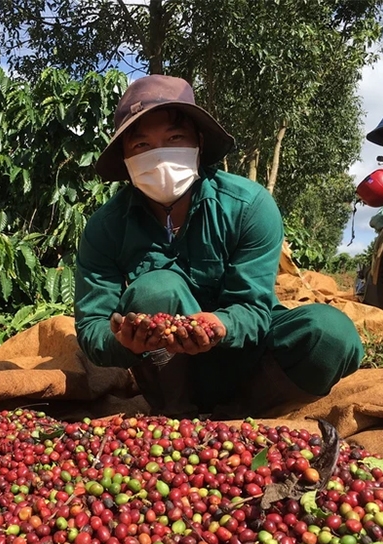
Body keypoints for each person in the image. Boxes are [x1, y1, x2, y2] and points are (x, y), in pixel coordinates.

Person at [74, 74, 364, 419]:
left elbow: (255, 309)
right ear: (124, 156)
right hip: (166, 369)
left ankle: (242, 415)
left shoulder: (249, 206)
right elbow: (91, 326)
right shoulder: (105, 227)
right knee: (155, 287)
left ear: (197, 143)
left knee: (331, 333)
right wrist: (124, 342)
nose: (160, 156)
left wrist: (221, 324)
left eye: (174, 138)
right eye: (142, 146)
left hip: (249, 361)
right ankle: (177, 414)